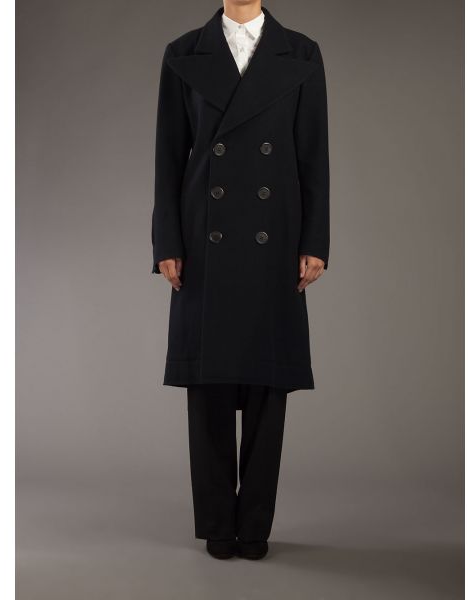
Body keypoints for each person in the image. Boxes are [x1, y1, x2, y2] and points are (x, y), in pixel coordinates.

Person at [151, 0, 329, 560]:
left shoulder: (301, 53)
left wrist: (315, 241)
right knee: (208, 388)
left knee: (266, 389)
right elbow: (168, 157)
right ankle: (216, 526)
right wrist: (167, 242)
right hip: (204, 240)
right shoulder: (183, 53)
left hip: (275, 241)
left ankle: (254, 526)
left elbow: (313, 156)